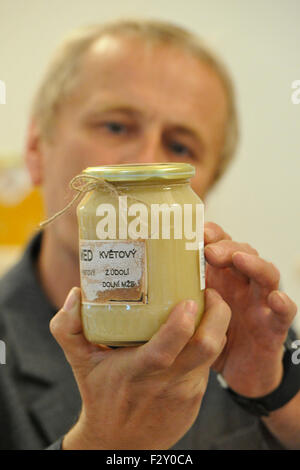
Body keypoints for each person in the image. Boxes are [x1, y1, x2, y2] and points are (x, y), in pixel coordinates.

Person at [0, 19, 299, 450]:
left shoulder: (243, 320)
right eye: (116, 126)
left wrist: (272, 390)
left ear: (204, 188)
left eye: (180, 147)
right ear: (35, 148)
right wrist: (105, 442)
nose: (144, 162)